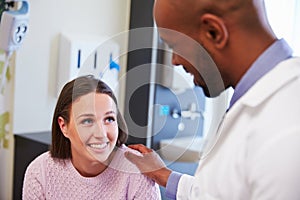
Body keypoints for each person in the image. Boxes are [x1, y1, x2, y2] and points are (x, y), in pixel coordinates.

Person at [125, 0, 300, 199]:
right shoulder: (259, 104)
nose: (175, 61)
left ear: (213, 32)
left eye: (175, 45)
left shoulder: (287, 129)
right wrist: (163, 174)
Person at [22, 75, 161, 200]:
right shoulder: (40, 172)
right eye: (87, 121)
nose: (101, 134)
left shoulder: (138, 172)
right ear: (63, 126)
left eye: (109, 119)